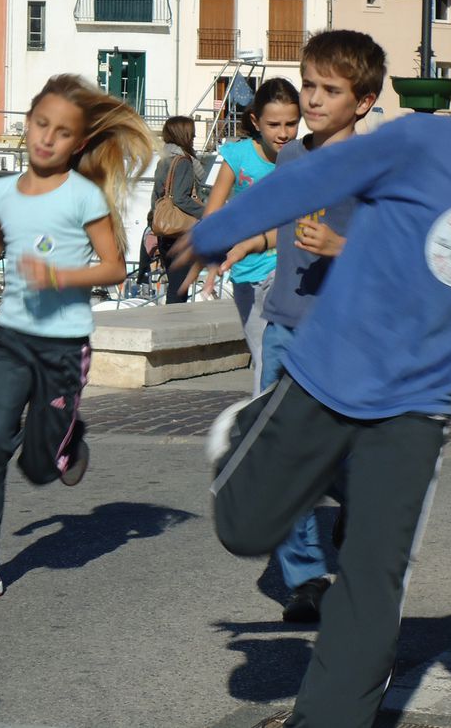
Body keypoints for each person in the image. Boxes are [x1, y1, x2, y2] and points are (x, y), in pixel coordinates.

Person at [176, 25, 451, 727]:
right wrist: (210, 232)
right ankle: (244, 438)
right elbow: (310, 178)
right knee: (244, 529)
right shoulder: (420, 143)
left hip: (416, 408)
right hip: (328, 373)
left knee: (374, 581)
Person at [0, 73, 154, 604]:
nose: (47, 138)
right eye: (41, 125)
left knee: (38, 467)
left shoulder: (84, 198)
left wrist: (58, 277)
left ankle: (67, 441)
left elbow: (113, 270)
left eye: (62, 132)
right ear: (28, 125)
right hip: (12, 340)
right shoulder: (2, 193)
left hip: (63, 347)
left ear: (78, 144)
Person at [217, 32, 386, 624]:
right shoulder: (291, 159)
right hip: (286, 324)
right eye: (308, 84)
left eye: (328, 90)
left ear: (363, 102)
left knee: (343, 451)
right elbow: (287, 227)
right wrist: (252, 240)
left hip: (344, 336)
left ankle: (357, 499)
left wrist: (343, 244)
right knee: (280, 451)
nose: (312, 100)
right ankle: (306, 577)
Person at [202, 77, 301, 397]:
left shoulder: (302, 157)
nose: (283, 133)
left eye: (291, 123)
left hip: (285, 266)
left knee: (282, 352)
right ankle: (264, 420)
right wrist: (209, 262)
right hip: (245, 271)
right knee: (261, 354)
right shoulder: (238, 156)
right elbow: (213, 214)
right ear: (256, 121)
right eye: (274, 124)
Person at [150, 115, 205, 304]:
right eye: (192, 134)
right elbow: (181, 199)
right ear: (185, 135)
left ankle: (171, 321)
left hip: (165, 232)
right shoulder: (183, 162)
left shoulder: (164, 160)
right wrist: (207, 212)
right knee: (180, 287)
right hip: (180, 233)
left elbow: (157, 196)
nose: (194, 137)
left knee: (174, 284)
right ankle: (175, 323)